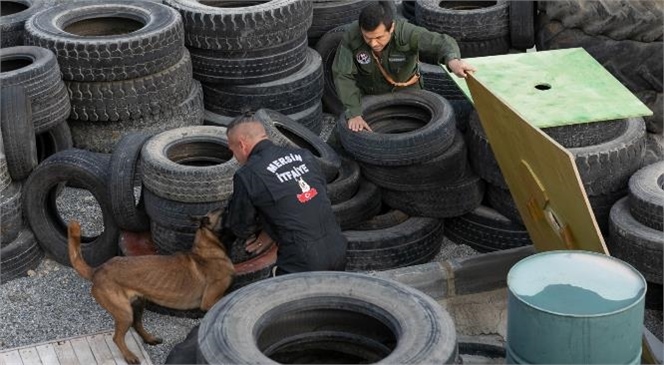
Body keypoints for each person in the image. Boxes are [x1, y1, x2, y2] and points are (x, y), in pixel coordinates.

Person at [219, 113, 347, 275]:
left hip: (300, 261)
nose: (235, 157)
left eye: (232, 150)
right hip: (338, 248)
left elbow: (241, 226)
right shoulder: (304, 156)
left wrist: (264, 228)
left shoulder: (248, 174)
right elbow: (314, 197)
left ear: (241, 145)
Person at [332, 1, 476, 132]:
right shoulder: (352, 36)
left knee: (425, 133)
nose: (373, 43)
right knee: (345, 135)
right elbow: (342, 74)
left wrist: (453, 61)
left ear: (392, 28)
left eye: (379, 37)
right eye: (368, 38)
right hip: (370, 95)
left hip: (408, 92)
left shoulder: (407, 33)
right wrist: (354, 112)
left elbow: (441, 43)